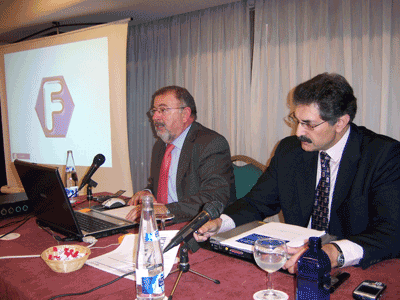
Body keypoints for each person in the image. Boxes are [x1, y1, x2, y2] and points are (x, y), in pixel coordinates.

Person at [195, 73, 400, 273]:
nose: (298, 132)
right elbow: (257, 202)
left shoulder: (384, 156)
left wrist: (333, 251)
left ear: (340, 122)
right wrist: (221, 223)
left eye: (309, 124)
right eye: (297, 120)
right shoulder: (290, 150)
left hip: (354, 267)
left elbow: (391, 233)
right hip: (294, 263)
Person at [126, 86, 236, 223]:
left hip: (198, 227)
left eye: (163, 110)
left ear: (185, 114)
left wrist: (166, 210)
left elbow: (213, 197)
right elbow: (157, 185)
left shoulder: (210, 144)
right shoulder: (160, 146)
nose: (155, 117)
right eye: (154, 111)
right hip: (160, 224)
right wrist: (147, 192)